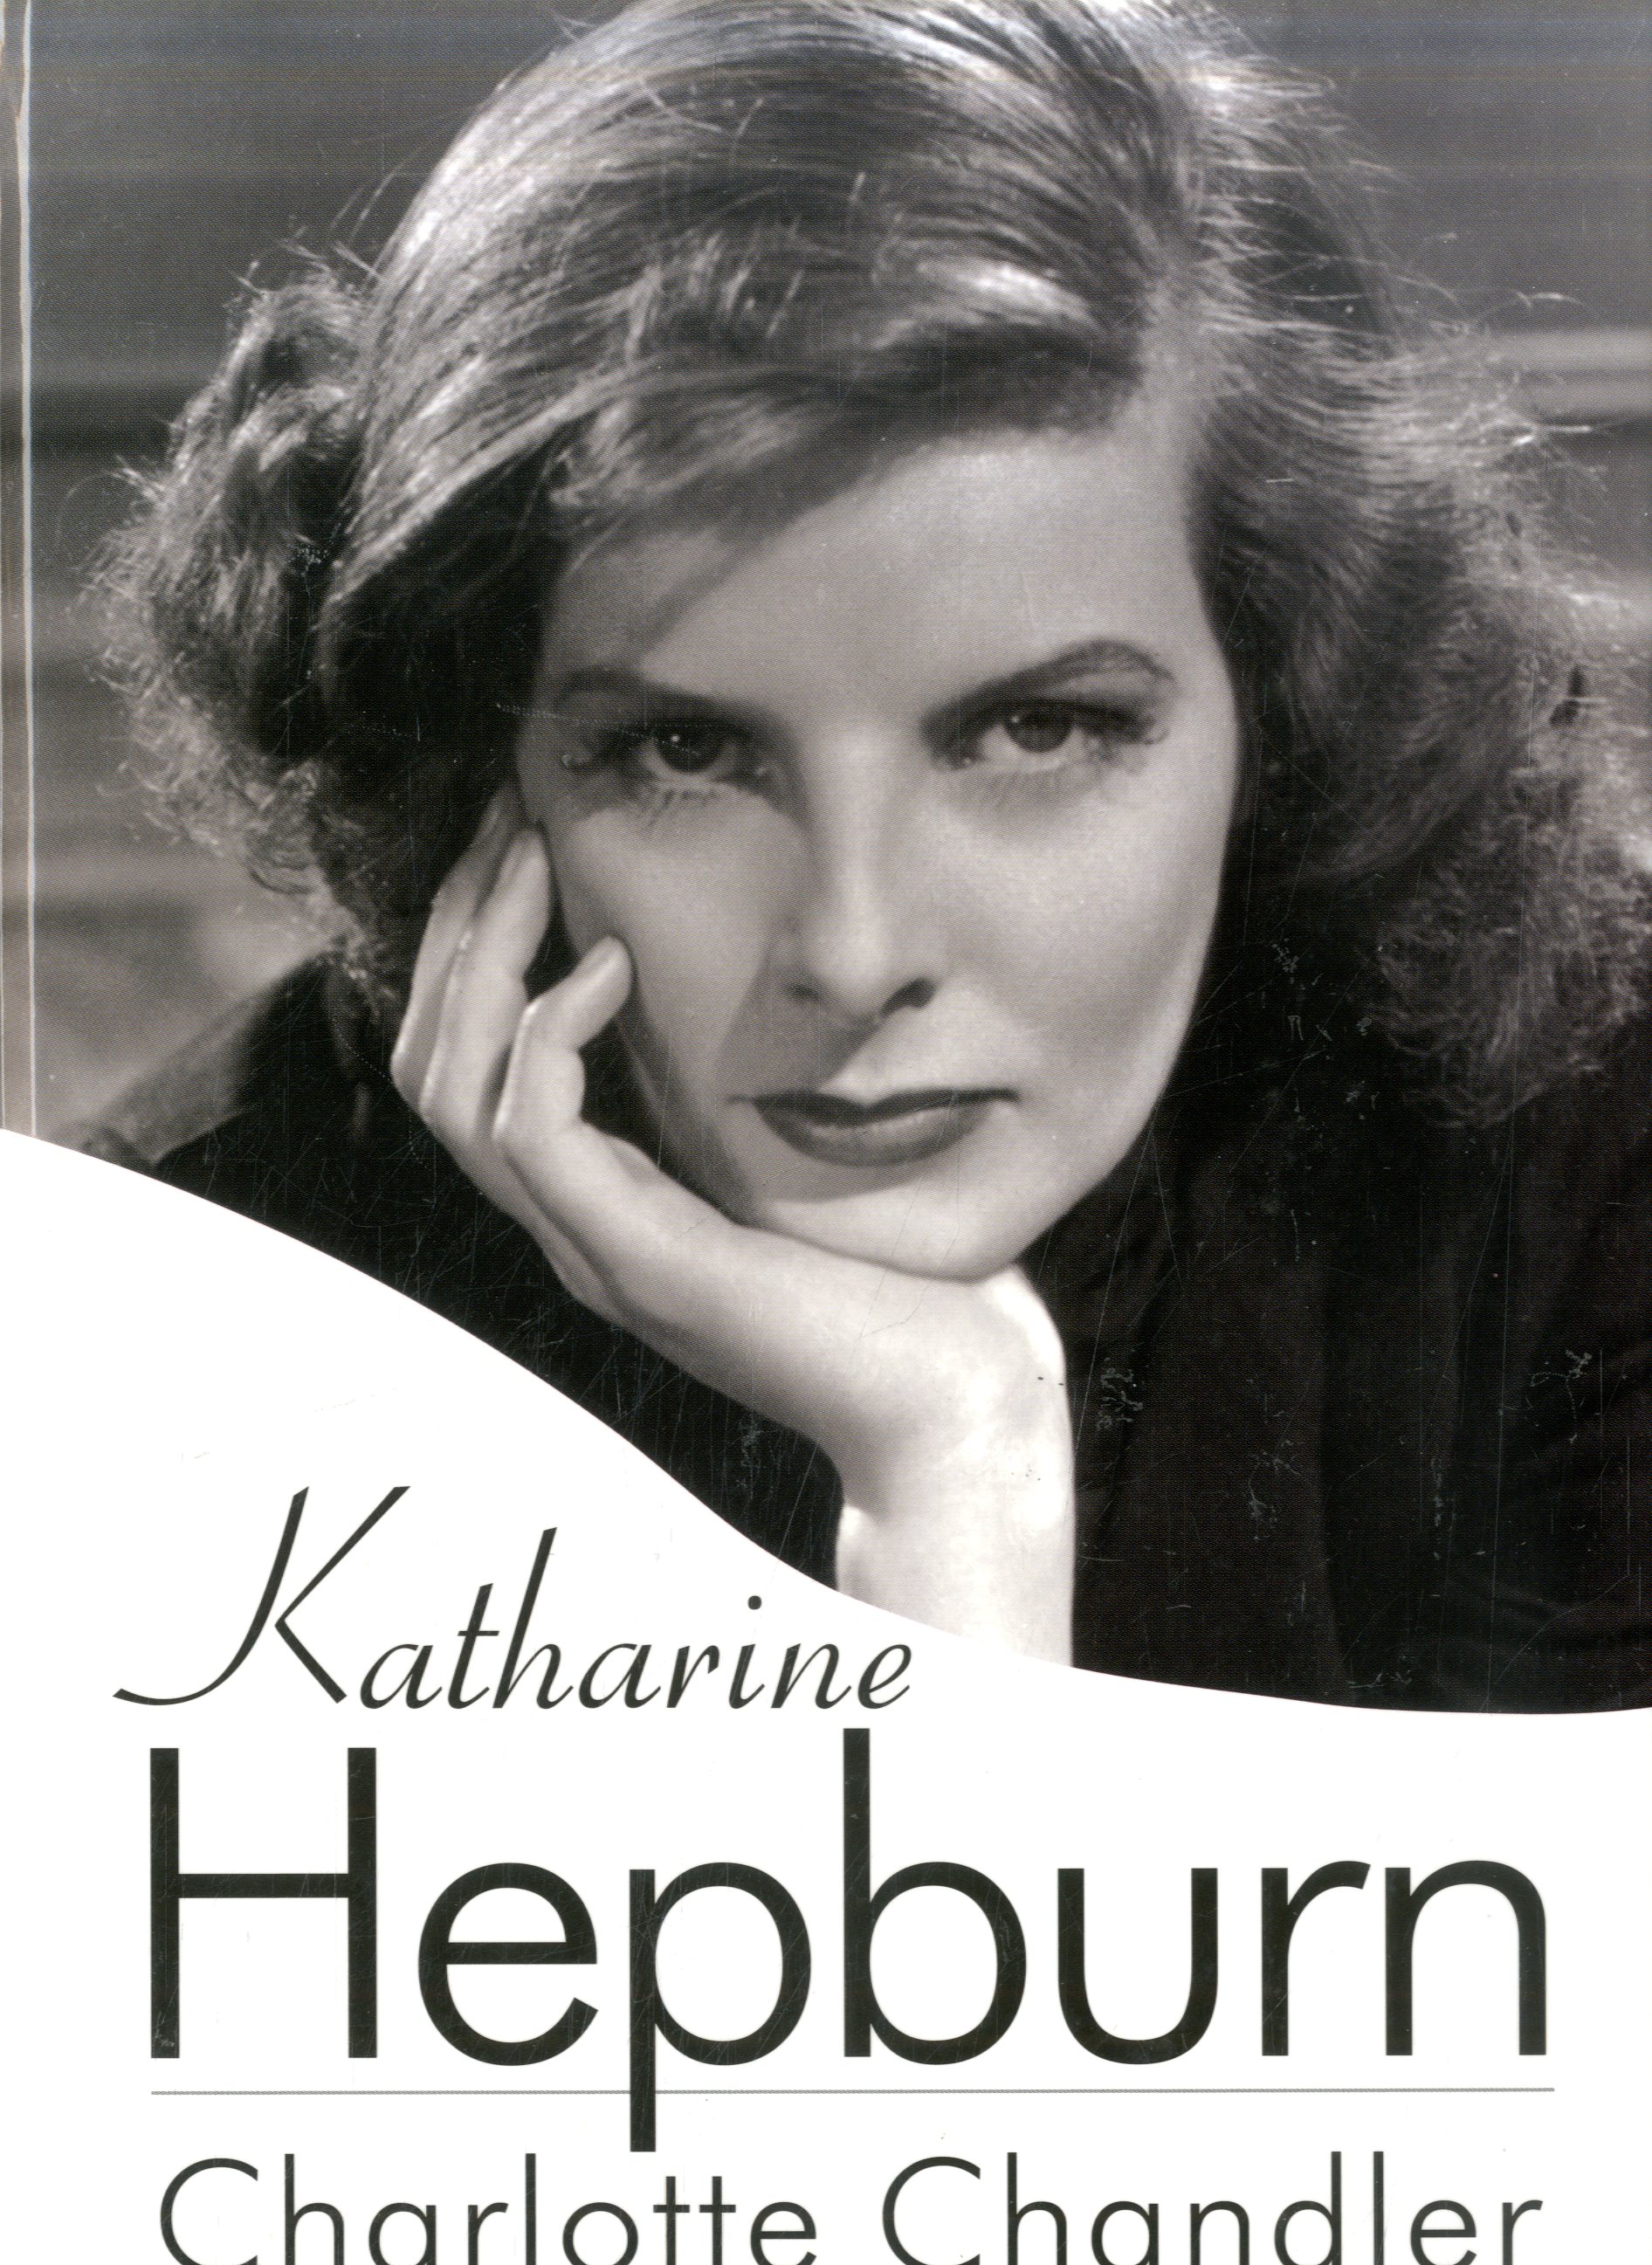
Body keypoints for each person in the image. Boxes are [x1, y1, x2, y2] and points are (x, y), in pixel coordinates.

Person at [83, 0, 1650, 1706]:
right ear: (486, 764)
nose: (853, 947)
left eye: (1034, 731)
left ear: (1277, 704)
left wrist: (952, 1484)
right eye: (686, 751)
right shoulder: (173, 1308)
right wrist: (950, 1454)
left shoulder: (1593, 1175)